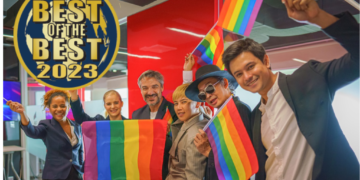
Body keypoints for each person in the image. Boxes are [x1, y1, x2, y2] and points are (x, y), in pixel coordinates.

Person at [221, 0, 359, 179]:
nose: (246, 77)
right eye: (238, 74)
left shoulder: (308, 79)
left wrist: (319, 18)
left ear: (266, 61)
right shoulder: (257, 116)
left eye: (250, 67)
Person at [183, 54, 252, 180]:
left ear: (225, 83)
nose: (208, 96)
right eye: (202, 95)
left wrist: (208, 151)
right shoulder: (221, 115)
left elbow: (240, 161)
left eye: (210, 88)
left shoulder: (238, 110)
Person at [6, 89, 83, 180]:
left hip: (75, 175)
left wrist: (81, 168)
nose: (59, 109)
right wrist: (22, 113)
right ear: (49, 108)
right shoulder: (47, 125)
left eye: (63, 106)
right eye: (54, 106)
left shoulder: (76, 126)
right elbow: (32, 131)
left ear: (68, 107)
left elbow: (79, 150)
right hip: (55, 175)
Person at [132, 70, 177, 179]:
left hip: (168, 173)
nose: (150, 92)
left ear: (162, 88)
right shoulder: (136, 115)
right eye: (145, 88)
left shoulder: (174, 111)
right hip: (144, 173)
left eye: (154, 86)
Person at [166, 83, 210, 180]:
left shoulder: (195, 134)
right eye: (176, 103)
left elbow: (194, 176)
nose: (178, 107)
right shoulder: (189, 121)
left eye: (184, 102)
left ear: (198, 103)